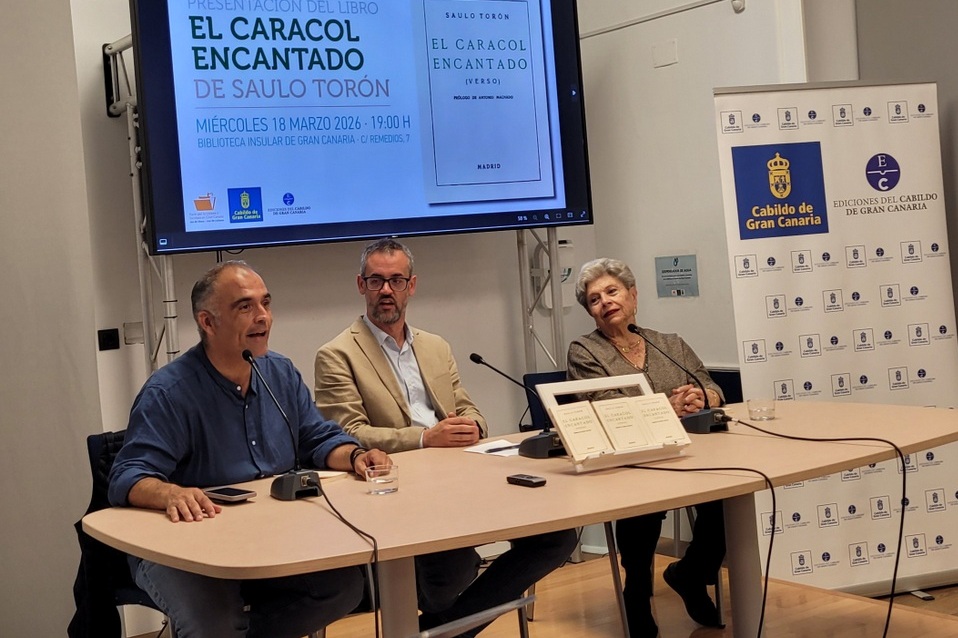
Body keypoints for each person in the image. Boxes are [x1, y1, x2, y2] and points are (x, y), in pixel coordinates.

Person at [109, 260, 390, 638]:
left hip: (264, 537)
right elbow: (128, 475)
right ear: (208, 323)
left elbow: (317, 438)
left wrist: (356, 456)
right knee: (215, 622)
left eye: (266, 303)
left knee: (342, 587)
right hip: (185, 551)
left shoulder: (279, 372)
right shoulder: (170, 393)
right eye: (245, 307)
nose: (263, 317)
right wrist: (171, 493)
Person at [315, 238, 577, 636]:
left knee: (557, 537)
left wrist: (473, 426)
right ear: (360, 285)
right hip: (402, 489)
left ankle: (444, 630)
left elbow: (469, 409)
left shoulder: (435, 346)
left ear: (412, 285)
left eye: (396, 280)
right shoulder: (337, 353)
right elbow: (348, 434)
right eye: (376, 281)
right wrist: (425, 438)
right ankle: (449, 626)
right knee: (445, 579)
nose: (386, 290)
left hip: (465, 476)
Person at [567, 257, 726, 638]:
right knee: (643, 500)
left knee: (731, 491)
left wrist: (702, 398)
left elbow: (710, 385)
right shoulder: (584, 351)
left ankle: (690, 574)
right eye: (594, 299)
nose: (605, 302)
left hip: (690, 452)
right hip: (629, 460)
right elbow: (604, 406)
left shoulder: (669, 343)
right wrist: (664, 408)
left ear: (633, 296)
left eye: (612, 291)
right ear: (590, 313)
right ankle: (637, 591)